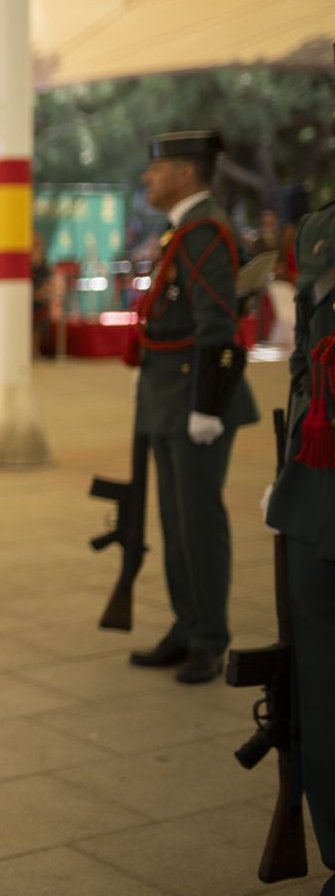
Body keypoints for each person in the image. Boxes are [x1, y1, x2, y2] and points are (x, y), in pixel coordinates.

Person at [127, 131, 259, 685]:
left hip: (193, 400)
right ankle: (187, 625)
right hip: (169, 396)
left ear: (184, 174)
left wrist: (207, 406)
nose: (146, 179)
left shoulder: (204, 230)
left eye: (155, 170)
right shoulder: (185, 229)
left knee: (198, 523)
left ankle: (210, 638)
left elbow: (217, 326)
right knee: (176, 523)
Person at [264, 195, 335, 890]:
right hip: (319, 485)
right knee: (318, 678)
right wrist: (290, 472)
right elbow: (308, 361)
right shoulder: (322, 226)